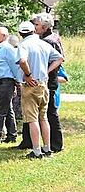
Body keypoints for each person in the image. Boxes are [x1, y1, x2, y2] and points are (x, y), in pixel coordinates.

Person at [16, 20, 63, 159]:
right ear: (33, 31)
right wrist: (47, 71)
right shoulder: (43, 44)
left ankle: (37, 151)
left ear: (20, 33)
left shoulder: (23, 45)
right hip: (43, 83)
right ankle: (47, 149)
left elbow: (22, 61)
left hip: (30, 85)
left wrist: (28, 75)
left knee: (32, 119)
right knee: (43, 117)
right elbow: (59, 58)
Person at [32, 13, 64, 153]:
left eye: (37, 25)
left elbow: (59, 60)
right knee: (35, 113)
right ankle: (30, 141)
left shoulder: (50, 40)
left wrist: (45, 70)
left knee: (50, 112)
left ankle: (56, 144)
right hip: (40, 80)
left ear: (44, 27)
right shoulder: (42, 38)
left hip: (47, 81)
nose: (34, 27)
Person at [0, 26, 21, 143]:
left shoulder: (7, 49)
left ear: (4, 36)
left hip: (6, 82)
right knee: (8, 109)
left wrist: (18, 81)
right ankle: (12, 135)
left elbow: (15, 66)